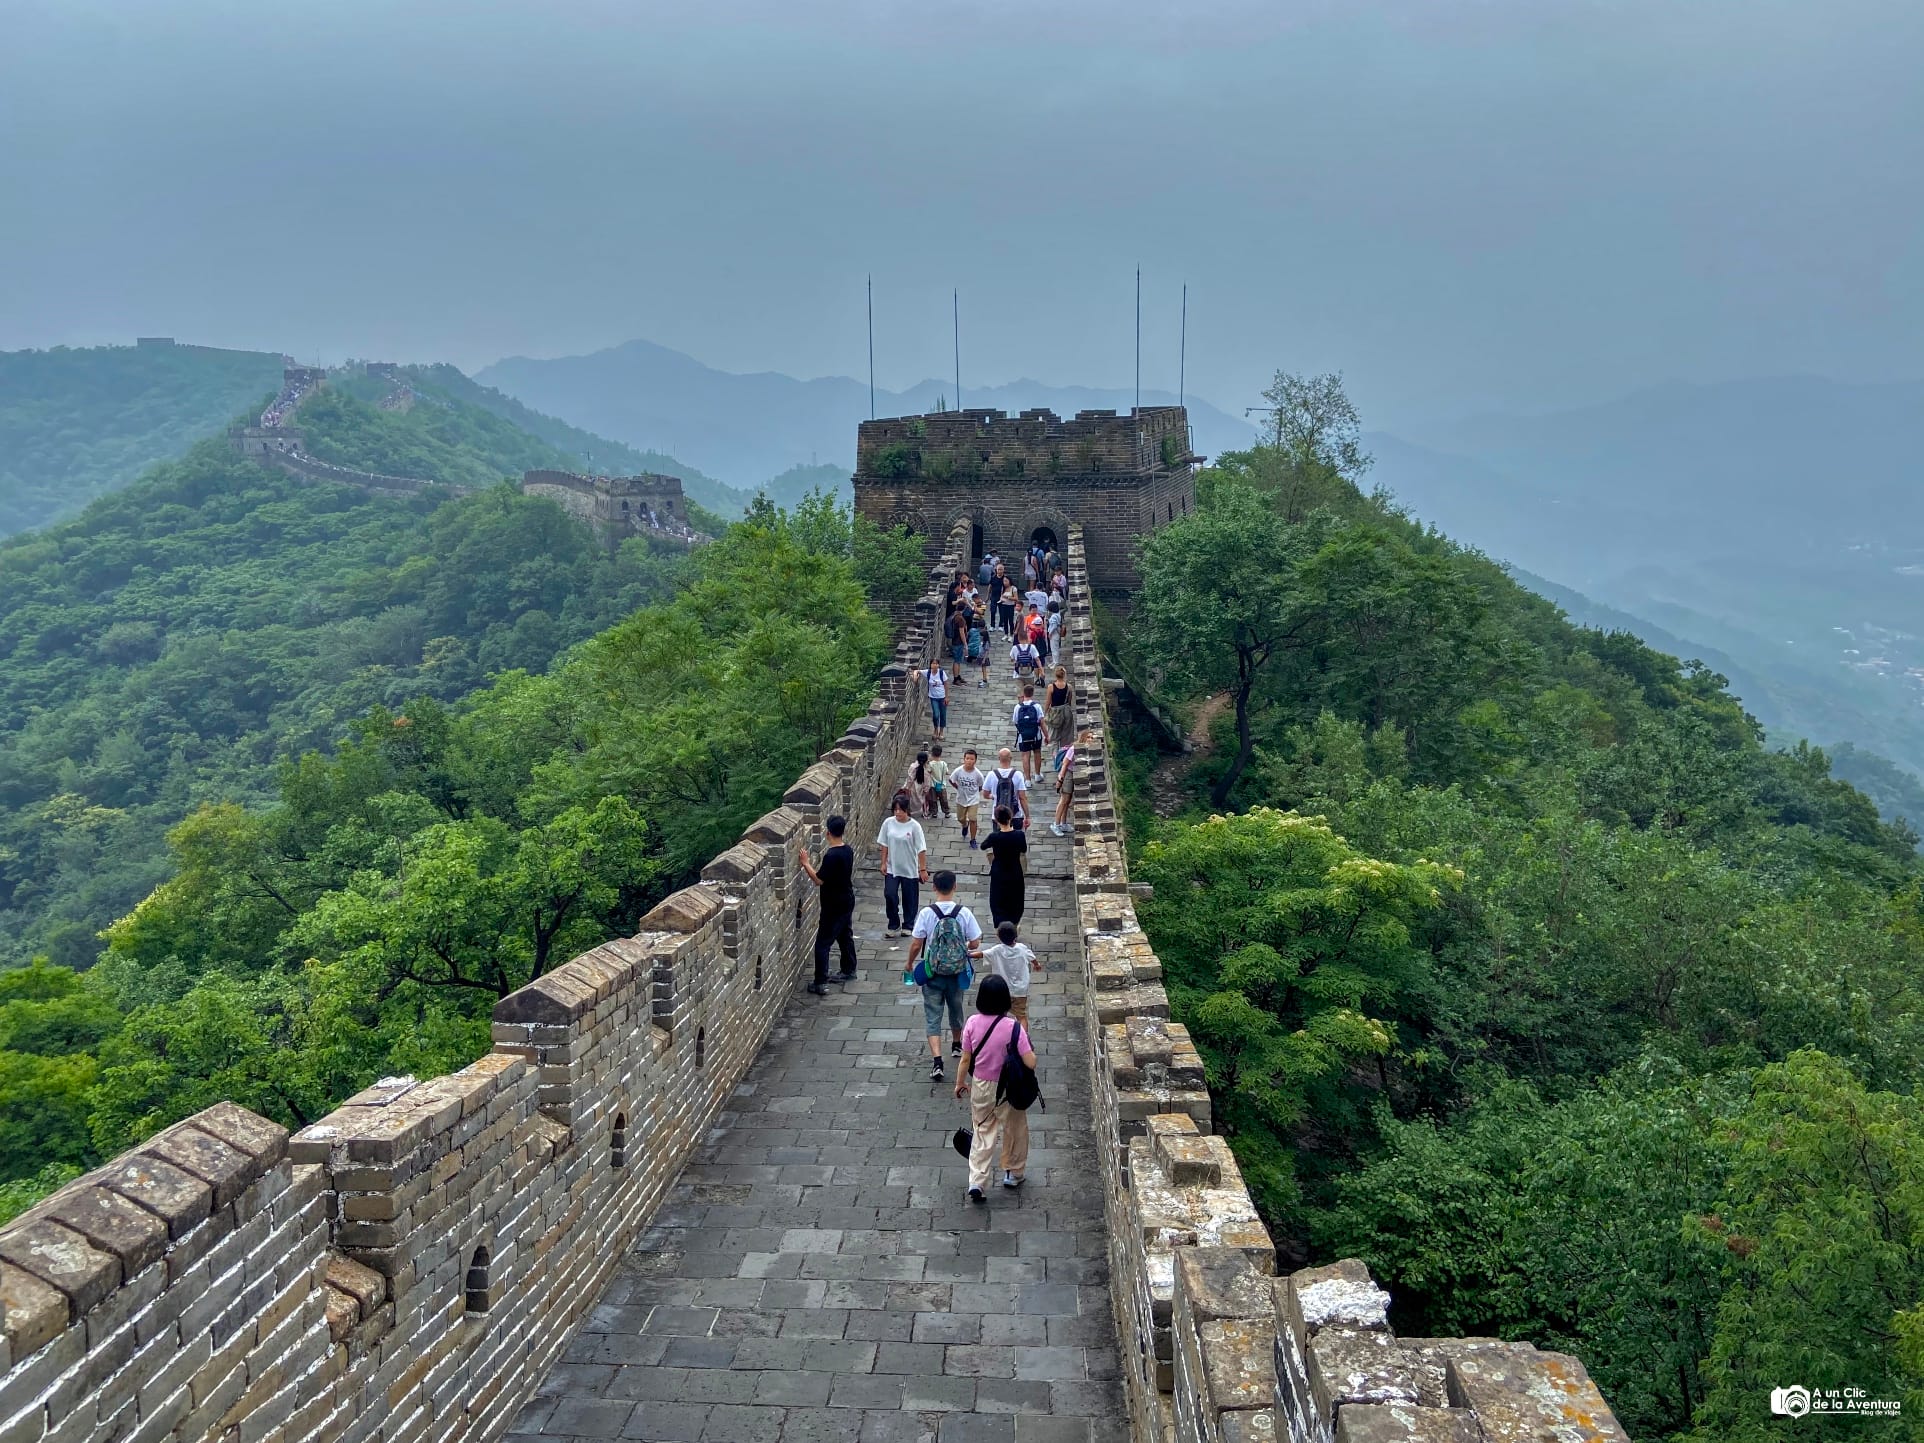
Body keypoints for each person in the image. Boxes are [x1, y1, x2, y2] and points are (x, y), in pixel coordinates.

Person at [954, 975, 1037, 1200]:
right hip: (1009, 1088)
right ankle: (1013, 1172)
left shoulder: (971, 1023)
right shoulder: (1013, 1028)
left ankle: (977, 1181)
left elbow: (965, 1059)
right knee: (1015, 1128)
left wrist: (960, 1083)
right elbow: (1030, 1062)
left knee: (982, 1130)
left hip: (981, 1085)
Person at [906, 869, 983, 1081]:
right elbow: (975, 942)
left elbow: (916, 943)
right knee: (956, 1008)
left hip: (933, 972)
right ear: (955, 886)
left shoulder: (927, 913)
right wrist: (960, 948)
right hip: (957, 972)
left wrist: (910, 963)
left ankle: (937, 1061)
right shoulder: (963, 913)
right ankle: (957, 1045)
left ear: (934, 888)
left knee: (933, 1015)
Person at [797, 815, 857, 993]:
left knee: (823, 943)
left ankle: (820, 982)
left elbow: (818, 880)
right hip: (847, 899)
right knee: (845, 935)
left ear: (828, 832)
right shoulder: (848, 850)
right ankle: (849, 969)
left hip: (833, 905)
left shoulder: (832, 855)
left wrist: (805, 863)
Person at [876, 793, 929, 938]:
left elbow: (921, 849)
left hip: (910, 868)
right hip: (892, 867)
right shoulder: (888, 823)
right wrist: (883, 862)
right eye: (895, 809)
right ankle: (893, 924)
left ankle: (908, 925)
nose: (898, 812)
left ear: (907, 810)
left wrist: (922, 869)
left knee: (909, 898)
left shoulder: (914, 827)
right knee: (890, 894)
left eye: (901, 809)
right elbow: (885, 844)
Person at [979, 920, 1039, 1024]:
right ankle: (1023, 1037)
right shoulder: (1022, 948)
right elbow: (1032, 958)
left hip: (1002, 990)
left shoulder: (996, 950)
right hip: (1020, 990)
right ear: (1016, 935)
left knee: (1001, 1014)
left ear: (998, 936)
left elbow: (981, 954)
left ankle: (1003, 1032)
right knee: (1021, 1016)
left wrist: (967, 954)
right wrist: (1037, 964)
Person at [980, 804, 1028, 927]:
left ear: (996, 820)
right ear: (1010, 817)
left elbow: (983, 846)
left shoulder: (994, 837)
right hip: (1015, 871)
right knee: (1016, 899)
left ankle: (1000, 927)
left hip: (999, 872)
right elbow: (1023, 849)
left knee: (998, 900)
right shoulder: (1019, 835)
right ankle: (1014, 925)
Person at [1052, 728, 1092, 835]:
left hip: (1076, 774)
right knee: (1064, 799)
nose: (1090, 739)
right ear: (1083, 738)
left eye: (1092, 737)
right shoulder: (1074, 749)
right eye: (1088, 737)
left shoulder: (1087, 749)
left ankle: (1063, 823)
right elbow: (1065, 764)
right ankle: (1055, 824)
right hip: (1068, 774)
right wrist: (1060, 779)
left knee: (1068, 800)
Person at [984, 747, 1029, 832]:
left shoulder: (991, 775)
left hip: (998, 816)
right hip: (1015, 815)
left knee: (998, 843)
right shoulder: (1018, 774)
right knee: (1015, 843)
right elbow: (1022, 797)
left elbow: (985, 794)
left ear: (999, 759)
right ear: (1010, 758)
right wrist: (1028, 816)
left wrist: (993, 796)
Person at [1013, 685, 1047, 780]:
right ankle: (1037, 775)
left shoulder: (1017, 707)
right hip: (1036, 735)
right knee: (1037, 752)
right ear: (1032, 693)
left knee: (1025, 755)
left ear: (1023, 694)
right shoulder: (1037, 706)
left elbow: (1015, 722)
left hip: (1023, 736)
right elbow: (1042, 723)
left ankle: (1027, 780)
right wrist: (1046, 736)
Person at [917, 661, 950, 742]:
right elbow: (917, 671)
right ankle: (935, 729)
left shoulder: (941, 673)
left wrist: (947, 697)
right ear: (930, 665)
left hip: (942, 697)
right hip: (933, 697)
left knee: (942, 714)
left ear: (938, 665)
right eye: (933, 663)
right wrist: (915, 675)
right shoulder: (928, 672)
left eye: (936, 663)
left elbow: (946, 684)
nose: (934, 665)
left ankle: (941, 732)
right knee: (936, 714)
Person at [1045, 666, 1074, 746]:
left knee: (1054, 735)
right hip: (1066, 711)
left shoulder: (1051, 687)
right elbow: (1069, 701)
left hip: (1055, 713)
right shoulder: (1069, 687)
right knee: (1066, 735)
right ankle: (1064, 753)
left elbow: (1048, 702)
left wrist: (1045, 712)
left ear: (1055, 675)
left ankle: (1056, 755)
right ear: (1064, 675)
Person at [967, 607, 990, 687]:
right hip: (981, 655)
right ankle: (984, 679)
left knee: (984, 668)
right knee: (982, 669)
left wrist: (983, 659)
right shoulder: (982, 637)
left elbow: (987, 650)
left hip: (983, 657)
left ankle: (985, 681)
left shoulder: (985, 642)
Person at [927, 744, 951, 819]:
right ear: (940, 753)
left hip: (933, 785)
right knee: (944, 800)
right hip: (942, 785)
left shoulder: (930, 764)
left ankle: (934, 812)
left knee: (933, 799)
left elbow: (928, 772)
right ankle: (946, 812)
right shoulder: (944, 764)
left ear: (932, 754)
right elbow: (947, 772)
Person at [992, 564, 1016, 638]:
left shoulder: (1013, 588)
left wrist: (1008, 597)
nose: (1004, 582)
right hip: (1001, 602)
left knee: (1010, 620)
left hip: (1010, 606)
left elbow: (1016, 598)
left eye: (1006, 581)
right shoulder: (1002, 588)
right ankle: (1005, 633)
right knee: (1004, 619)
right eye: (1004, 581)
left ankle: (1011, 634)